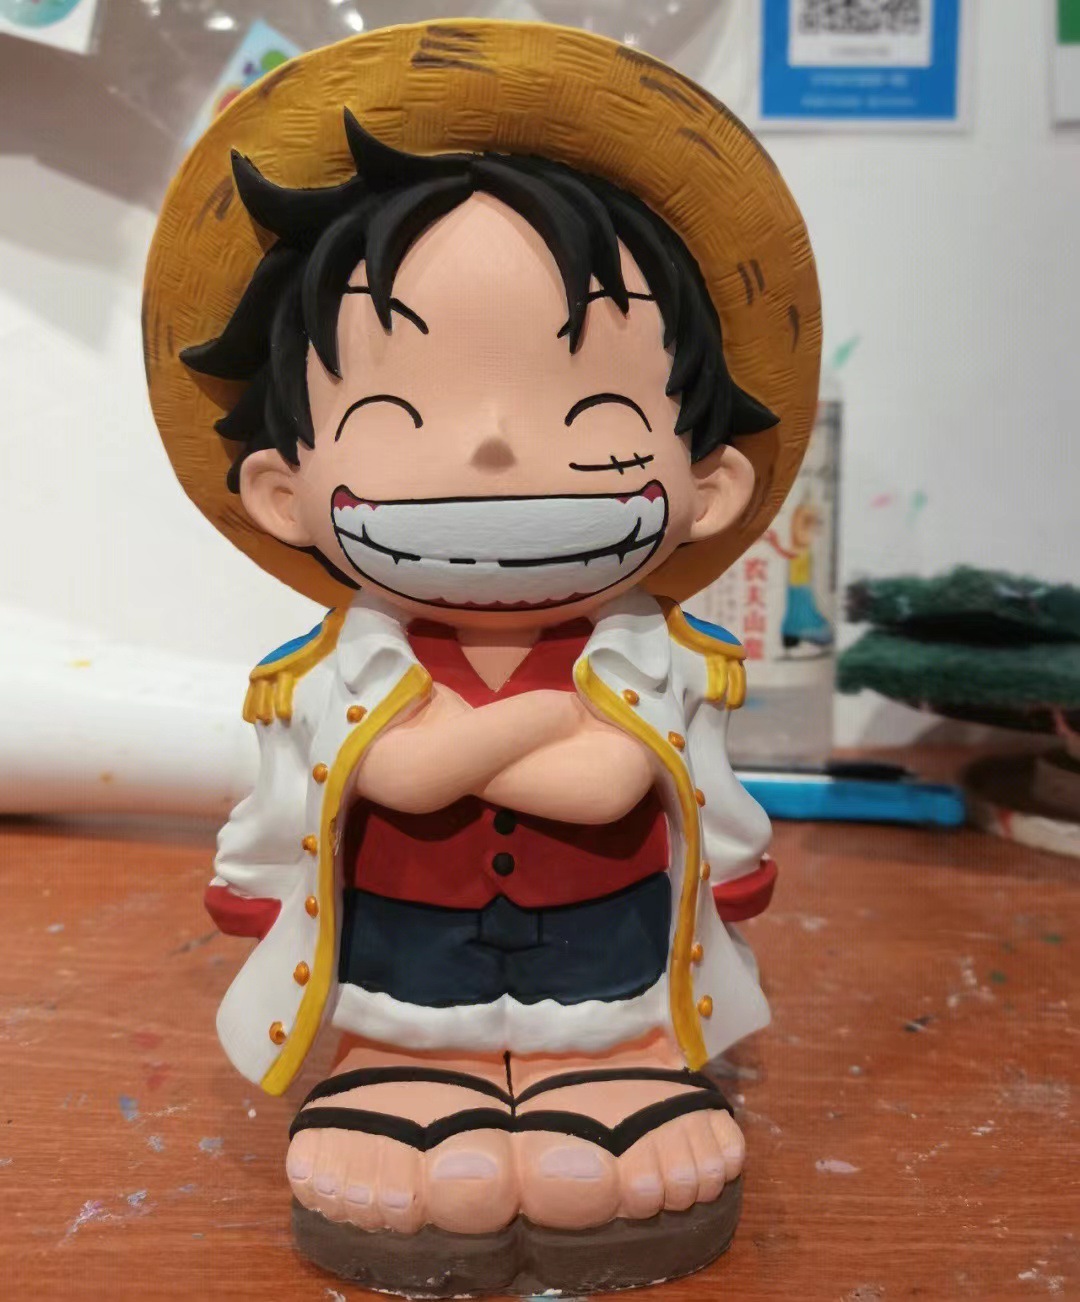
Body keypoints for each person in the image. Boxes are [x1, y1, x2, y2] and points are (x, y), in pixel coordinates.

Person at [143, 20, 820, 1292]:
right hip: (403, 958)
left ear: (710, 482)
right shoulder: (318, 676)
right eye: (396, 416)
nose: (497, 448)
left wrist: (458, 754)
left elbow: (615, 789)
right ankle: (410, 1074)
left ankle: (607, 1074)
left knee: (607, 1046)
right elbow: (380, 783)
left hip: (610, 952)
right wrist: (532, 733)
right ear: (284, 491)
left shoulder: (670, 660)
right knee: (411, 1051)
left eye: (596, 413)